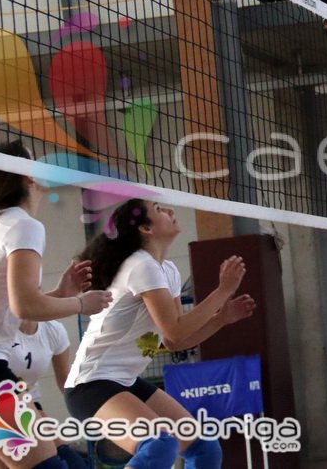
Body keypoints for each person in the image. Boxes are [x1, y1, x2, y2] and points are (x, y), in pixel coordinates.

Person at [64, 198, 255, 469]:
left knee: (203, 448)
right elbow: (174, 328)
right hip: (91, 385)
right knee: (159, 445)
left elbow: (175, 340)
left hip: (125, 381)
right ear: (146, 228)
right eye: (158, 209)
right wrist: (223, 291)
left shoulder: (167, 270)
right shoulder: (141, 265)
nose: (170, 210)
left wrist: (220, 320)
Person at [0, 140, 112, 469]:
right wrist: (81, 303)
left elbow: (7, 312)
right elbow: (25, 306)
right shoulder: (23, 225)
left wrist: (59, 295)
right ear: (28, 175)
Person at [7, 320, 85, 468]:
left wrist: (92, 412)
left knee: (72, 462)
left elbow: (65, 380)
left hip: (30, 404)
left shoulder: (53, 329)